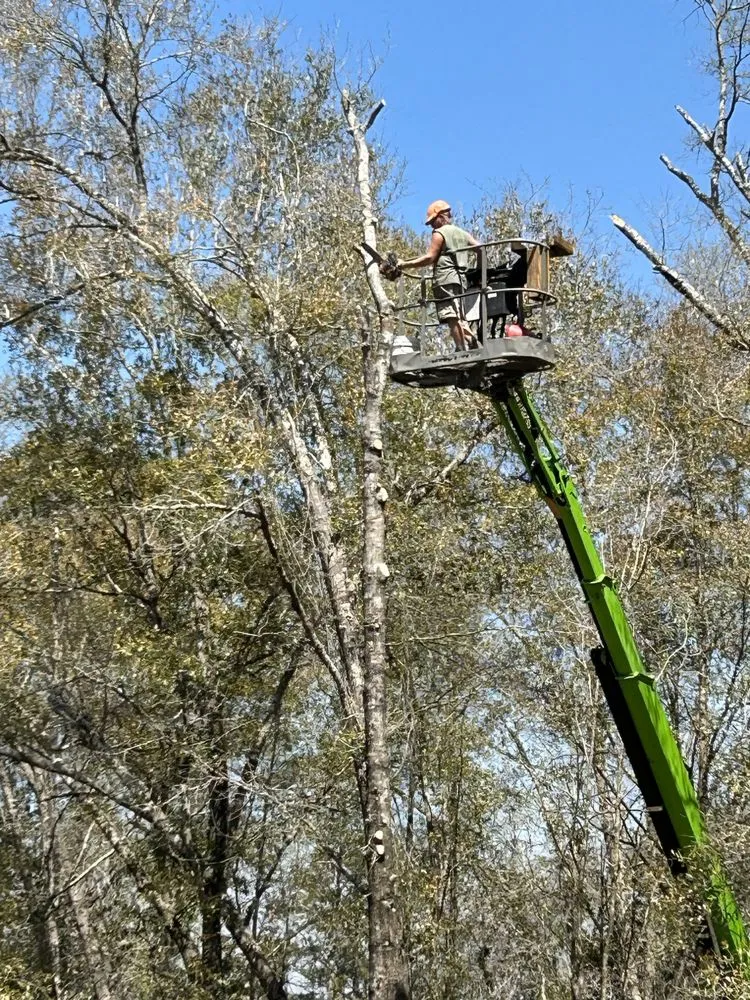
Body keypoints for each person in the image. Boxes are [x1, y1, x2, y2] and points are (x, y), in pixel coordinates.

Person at [394, 200, 480, 351]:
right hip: (460, 280)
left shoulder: (439, 233)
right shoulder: (461, 233)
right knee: (459, 314)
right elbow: (481, 249)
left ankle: (462, 348)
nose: (432, 226)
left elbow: (430, 258)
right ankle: (470, 340)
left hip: (445, 279)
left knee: (450, 315)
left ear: (441, 216)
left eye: (433, 221)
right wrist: (479, 272)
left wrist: (404, 264)